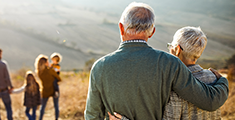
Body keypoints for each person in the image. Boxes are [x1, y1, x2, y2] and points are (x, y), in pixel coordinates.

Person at [84, 2, 229, 120]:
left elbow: (92, 116)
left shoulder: (100, 67)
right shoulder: (170, 63)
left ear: (121, 28)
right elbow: (209, 101)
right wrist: (222, 82)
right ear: (152, 32)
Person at [108, 27, 223, 120]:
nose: (169, 50)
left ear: (177, 50)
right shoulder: (213, 77)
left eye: (170, 46)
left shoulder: (173, 84)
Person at [35, 54, 62, 120]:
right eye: (47, 61)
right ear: (45, 63)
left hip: (45, 90)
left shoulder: (39, 72)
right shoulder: (51, 70)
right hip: (54, 89)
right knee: (56, 106)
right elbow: (59, 79)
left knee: (43, 107)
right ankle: (56, 118)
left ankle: (40, 118)